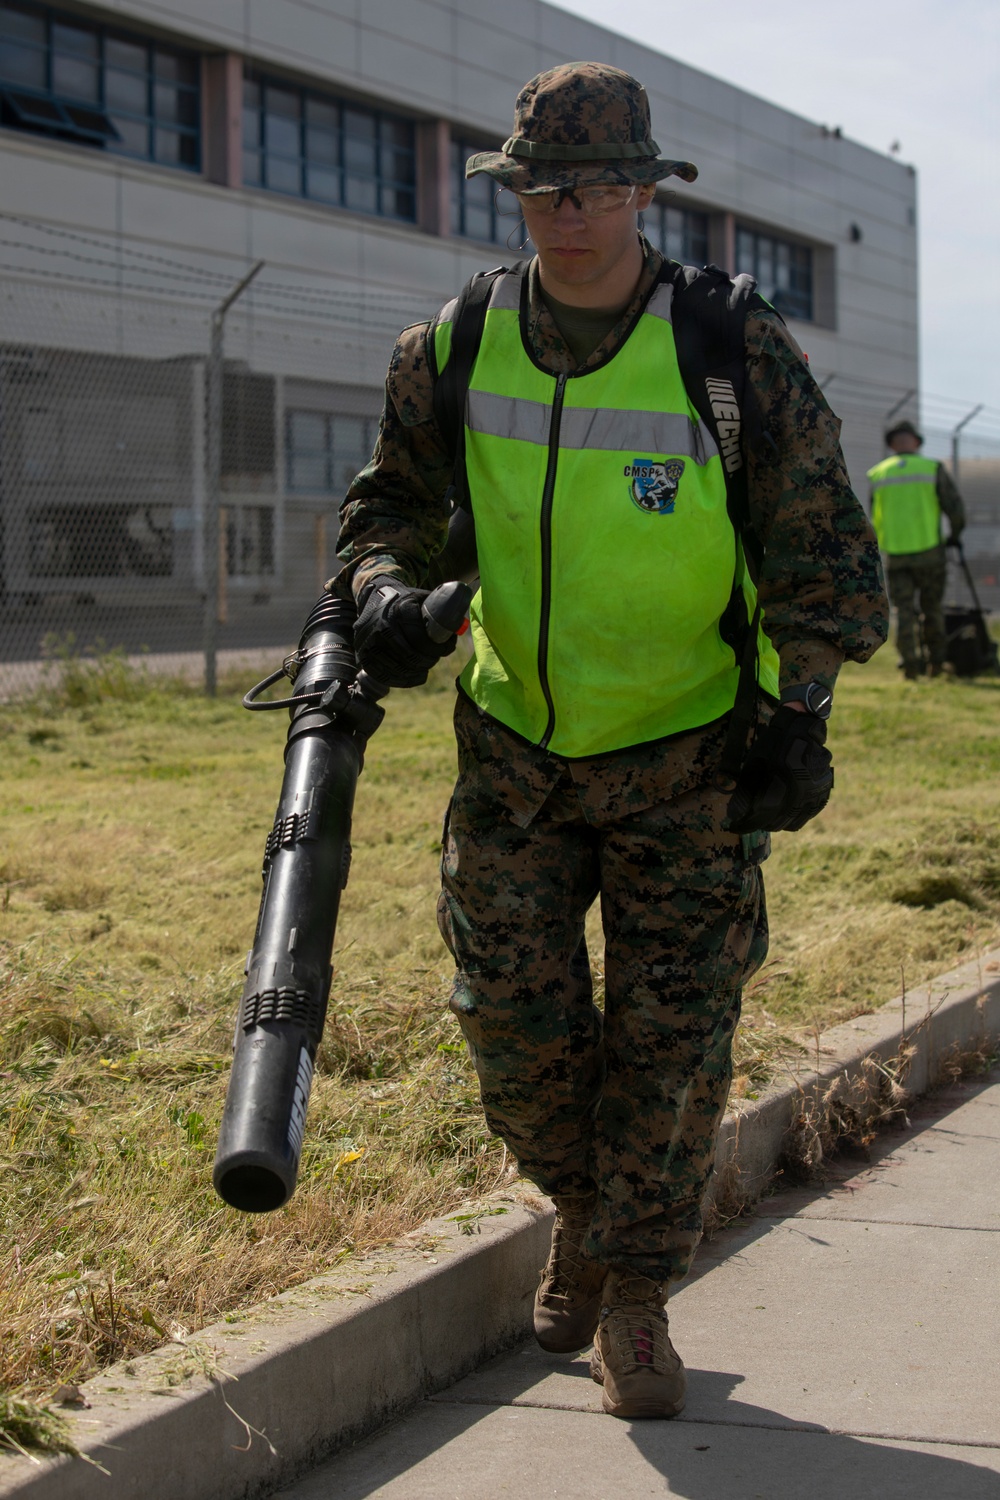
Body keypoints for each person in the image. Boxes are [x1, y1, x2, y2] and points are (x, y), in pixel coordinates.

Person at [334, 62, 887, 1420]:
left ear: (646, 192)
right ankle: (585, 1209)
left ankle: (633, 1294)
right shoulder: (453, 349)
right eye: (537, 187)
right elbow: (386, 510)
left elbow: (819, 545)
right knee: (512, 1027)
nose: (562, 213)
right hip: (514, 745)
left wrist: (798, 714)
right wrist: (383, 596)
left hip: (690, 755)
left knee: (674, 1037)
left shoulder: (729, 348)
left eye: (589, 188)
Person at [867, 420, 965, 678]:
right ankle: (936, 663)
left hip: (895, 555)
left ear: (891, 444)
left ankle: (910, 666)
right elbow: (955, 508)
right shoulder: (931, 468)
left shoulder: (878, 473)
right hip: (930, 553)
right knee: (932, 609)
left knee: (904, 611)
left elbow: (870, 515)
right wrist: (955, 536)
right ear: (917, 442)